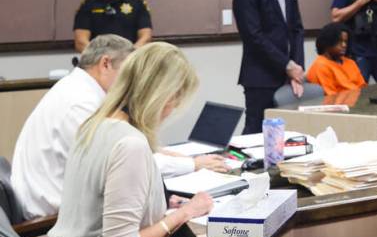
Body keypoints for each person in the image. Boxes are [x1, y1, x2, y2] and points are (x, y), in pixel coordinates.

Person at [10, 35, 226, 220]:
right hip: (50, 219)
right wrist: (192, 164)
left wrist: (167, 156)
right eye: (128, 72)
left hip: (61, 209)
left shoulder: (74, 89)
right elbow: (124, 163)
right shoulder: (83, 104)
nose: (132, 82)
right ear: (105, 63)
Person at [47, 42, 214, 237]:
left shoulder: (95, 124)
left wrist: (154, 202)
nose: (172, 110)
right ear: (163, 96)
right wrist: (186, 212)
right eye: (175, 99)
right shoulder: (130, 144)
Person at [233, 0, 305, 134]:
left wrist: (296, 68)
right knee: (257, 131)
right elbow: (253, 37)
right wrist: (287, 65)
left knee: (287, 133)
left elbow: (297, 30)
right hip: (261, 76)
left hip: (288, 74)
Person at [305, 23, 365, 94]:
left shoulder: (350, 62)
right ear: (327, 42)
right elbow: (331, 97)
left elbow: (363, 87)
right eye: (339, 41)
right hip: (340, 103)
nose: (344, 45)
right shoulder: (320, 66)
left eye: (345, 41)